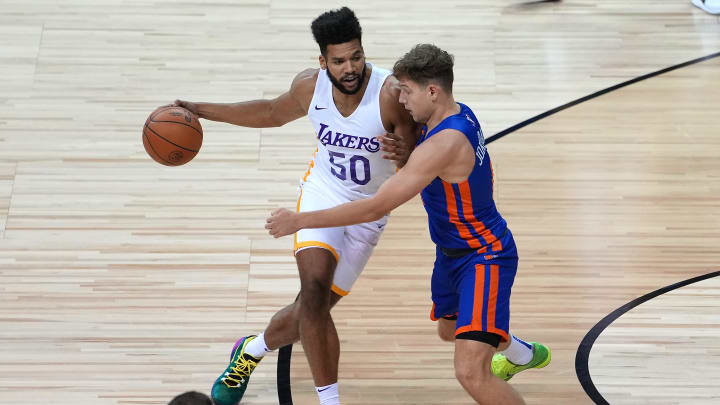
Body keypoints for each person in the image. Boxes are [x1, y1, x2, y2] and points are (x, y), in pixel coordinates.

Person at [266, 44, 551, 405]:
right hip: (452, 254)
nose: (400, 99)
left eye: (407, 90)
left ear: (432, 91)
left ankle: (509, 358)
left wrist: (300, 220)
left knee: (470, 372)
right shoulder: (453, 114)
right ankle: (521, 354)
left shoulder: (444, 143)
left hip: (485, 256)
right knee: (451, 330)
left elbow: (375, 207)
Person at [170, 7, 417, 405]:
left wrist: (406, 152)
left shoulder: (391, 95)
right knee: (314, 292)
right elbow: (269, 113)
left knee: (310, 310)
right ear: (323, 62)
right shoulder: (309, 87)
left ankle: (251, 350)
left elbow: (412, 170)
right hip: (323, 192)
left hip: (371, 209)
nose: (350, 67)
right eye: (339, 61)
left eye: (356, 56)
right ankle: (329, 400)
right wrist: (201, 109)